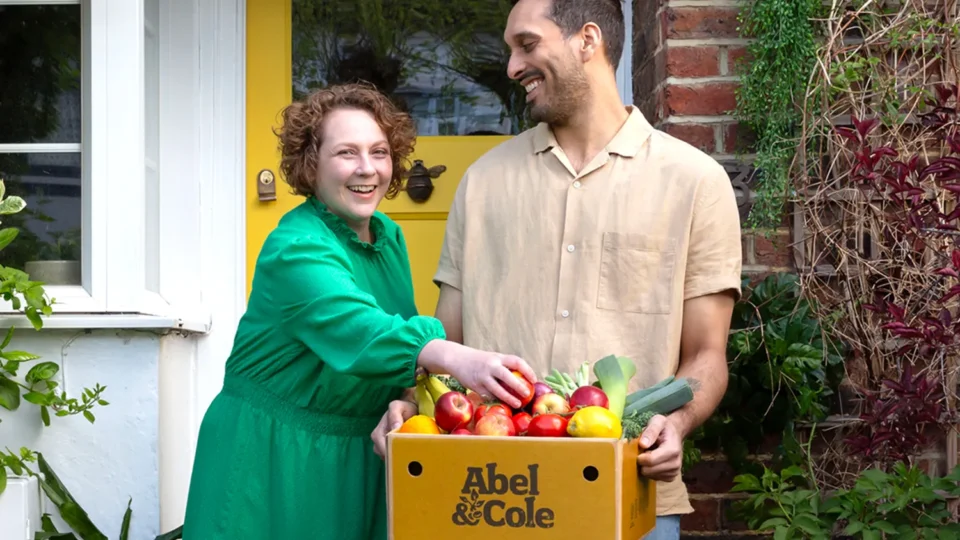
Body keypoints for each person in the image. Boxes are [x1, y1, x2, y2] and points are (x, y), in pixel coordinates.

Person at [371, 0, 742, 538]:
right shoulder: (482, 183)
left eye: (527, 44)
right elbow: (445, 343)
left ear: (587, 40)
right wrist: (408, 406)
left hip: (625, 490)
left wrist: (677, 422)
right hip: (486, 494)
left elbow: (706, 354)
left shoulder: (693, 182)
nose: (511, 67)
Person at [180, 82, 537, 540]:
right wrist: (459, 356)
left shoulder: (388, 237)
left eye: (380, 152)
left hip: (358, 452)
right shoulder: (295, 248)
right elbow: (361, 330)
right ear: (311, 165)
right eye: (347, 153)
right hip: (273, 453)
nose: (367, 169)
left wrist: (411, 400)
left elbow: (396, 356)